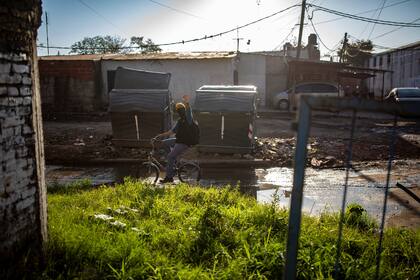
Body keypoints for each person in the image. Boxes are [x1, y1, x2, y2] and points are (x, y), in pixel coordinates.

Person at [154, 95, 194, 183]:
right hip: (178, 139)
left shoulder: (188, 119)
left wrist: (186, 102)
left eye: (181, 110)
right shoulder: (179, 121)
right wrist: (160, 135)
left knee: (170, 156)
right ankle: (173, 161)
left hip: (184, 142)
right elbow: (171, 132)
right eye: (178, 110)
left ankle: (169, 177)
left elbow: (189, 111)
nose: (180, 111)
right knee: (163, 143)